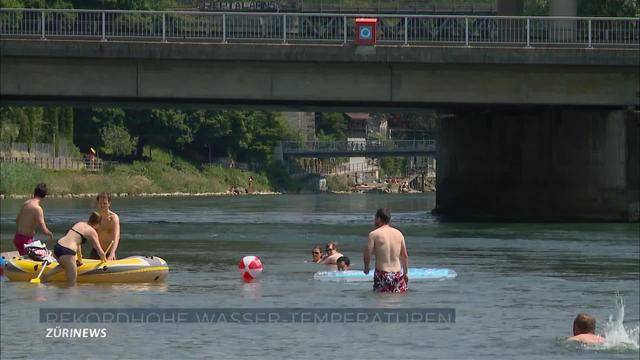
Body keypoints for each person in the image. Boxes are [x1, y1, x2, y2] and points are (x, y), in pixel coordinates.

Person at [45, 212, 107, 286]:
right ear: (98, 224)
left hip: (58, 247)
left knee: (64, 265)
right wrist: (105, 260)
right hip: (67, 252)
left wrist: (79, 261)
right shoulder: (92, 231)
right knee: (72, 284)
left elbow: (78, 244)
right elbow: (99, 250)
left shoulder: (79, 224)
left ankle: (44, 276)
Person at [363, 208, 409, 293]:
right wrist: (405, 273)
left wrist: (366, 267)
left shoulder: (374, 234)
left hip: (382, 273)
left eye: (375, 218)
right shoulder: (399, 233)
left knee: (380, 301)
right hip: (397, 274)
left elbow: (367, 254)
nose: (374, 220)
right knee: (397, 301)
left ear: (379, 218)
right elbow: (404, 255)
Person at [14, 183, 53, 255]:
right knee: (42, 255)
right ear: (44, 196)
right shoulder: (38, 209)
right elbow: (44, 230)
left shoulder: (26, 203)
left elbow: (17, 220)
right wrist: (50, 234)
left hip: (17, 238)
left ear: (35, 192)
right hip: (27, 241)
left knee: (24, 257)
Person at [89, 192, 120, 261]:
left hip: (109, 252)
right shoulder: (95, 217)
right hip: (96, 252)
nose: (102, 205)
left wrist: (112, 253)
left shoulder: (113, 218)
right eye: (100, 203)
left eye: (105, 203)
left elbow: (116, 236)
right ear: (98, 203)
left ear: (109, 203)